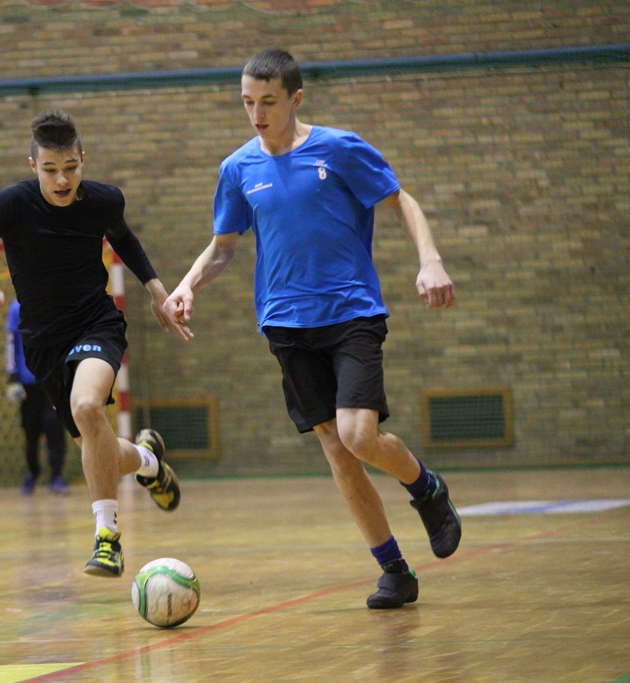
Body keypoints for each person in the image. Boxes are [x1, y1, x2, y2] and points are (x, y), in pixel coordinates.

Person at [163, 48, 461, 609]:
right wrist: (186, 286)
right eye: (248, 102)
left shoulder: (340, 148)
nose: (257, 113)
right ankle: (393, 570)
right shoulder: (237, 169)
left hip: (351, 313)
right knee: (336, 448)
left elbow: (402, 202)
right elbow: (224, 249)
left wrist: (430, 259)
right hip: (284, 323)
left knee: (357, 434)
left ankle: (426, 488)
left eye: (268, 101)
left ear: (295, 98)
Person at [0, 110, 188, 577]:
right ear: (33, 164)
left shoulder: (103, 200)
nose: (62, 180)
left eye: (71, 168)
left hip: (96, 323)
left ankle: (107, 539)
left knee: (86, 407)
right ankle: (147, 461)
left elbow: (125, 239)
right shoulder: (11, 205)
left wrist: (156, 290)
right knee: (99, 445)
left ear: (83, 159)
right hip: (43, 343)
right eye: (50, 170)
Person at [5, 300, 70, 496]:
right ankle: (33, 472)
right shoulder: (17, 309)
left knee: (55, 427)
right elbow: (10, 342)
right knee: (31, 431)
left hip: (52, 379)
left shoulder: (53, 305)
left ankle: (56, 476)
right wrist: (12, 375)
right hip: (27, 382)